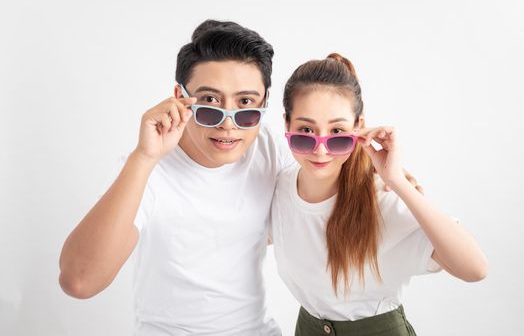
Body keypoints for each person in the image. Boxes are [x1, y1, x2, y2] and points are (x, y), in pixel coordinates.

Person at [58, 20, 420, 335]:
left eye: (246, 104)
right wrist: (143, 158)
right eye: (210, 103)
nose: (229, 123)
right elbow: (80, 281)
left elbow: (319, 167)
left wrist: (382, 176)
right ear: (178, 99)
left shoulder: (265, 147)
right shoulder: (148, 170)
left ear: (264, 105)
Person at [270, 53, 488, 336]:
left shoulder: (381, 198)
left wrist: (397, 181)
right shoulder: (279, 188)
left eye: (337, 132)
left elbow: (475, 268)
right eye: (305, 131)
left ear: (358, 127)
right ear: (286, 125)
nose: (320, 149)